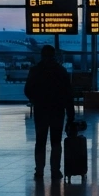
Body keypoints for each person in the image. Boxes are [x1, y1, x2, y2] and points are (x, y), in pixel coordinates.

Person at [25, 46, 75, 181]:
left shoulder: (35, 71)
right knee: (56, 141)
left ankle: (39, 170)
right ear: (54, 55)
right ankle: (55, 170)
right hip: (57, 110)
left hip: (41, 110)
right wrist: (71, 114)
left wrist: (35, 100)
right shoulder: (61, 71)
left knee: (40, 141)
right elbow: (68, 94)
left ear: (41, 55)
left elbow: (27, 89)